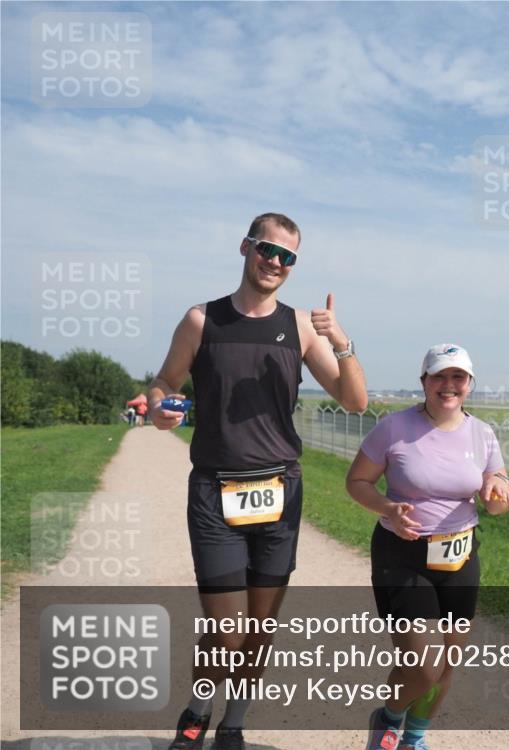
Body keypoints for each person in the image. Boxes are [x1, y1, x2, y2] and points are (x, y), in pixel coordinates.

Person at [148, 212, 367, 750]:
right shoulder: (202, 320)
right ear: (245, 247)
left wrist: (341, 342)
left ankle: (235, 722)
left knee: (260, 629)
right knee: (226, 630)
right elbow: (163, 382)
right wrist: (159, 410)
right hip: (215, 492)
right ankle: (197, 710)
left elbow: (355, 401)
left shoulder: (297, 328)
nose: (275, 262)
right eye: (267, 250)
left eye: (287, 257)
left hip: (279, 490)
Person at [346, 343, 509, 750]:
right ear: (424, 382)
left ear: (470, 384)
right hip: (403, 554)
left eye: (458, 377)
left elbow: (499, 492)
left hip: (460, 555)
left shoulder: (482, 433)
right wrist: (388, 507)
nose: (448, 385)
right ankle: (388, 719)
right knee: (421, 667)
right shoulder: (394, 428)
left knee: (448, 665)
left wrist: (497, 492)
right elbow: (357, 482)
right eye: (439, 376)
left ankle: (414, 739)